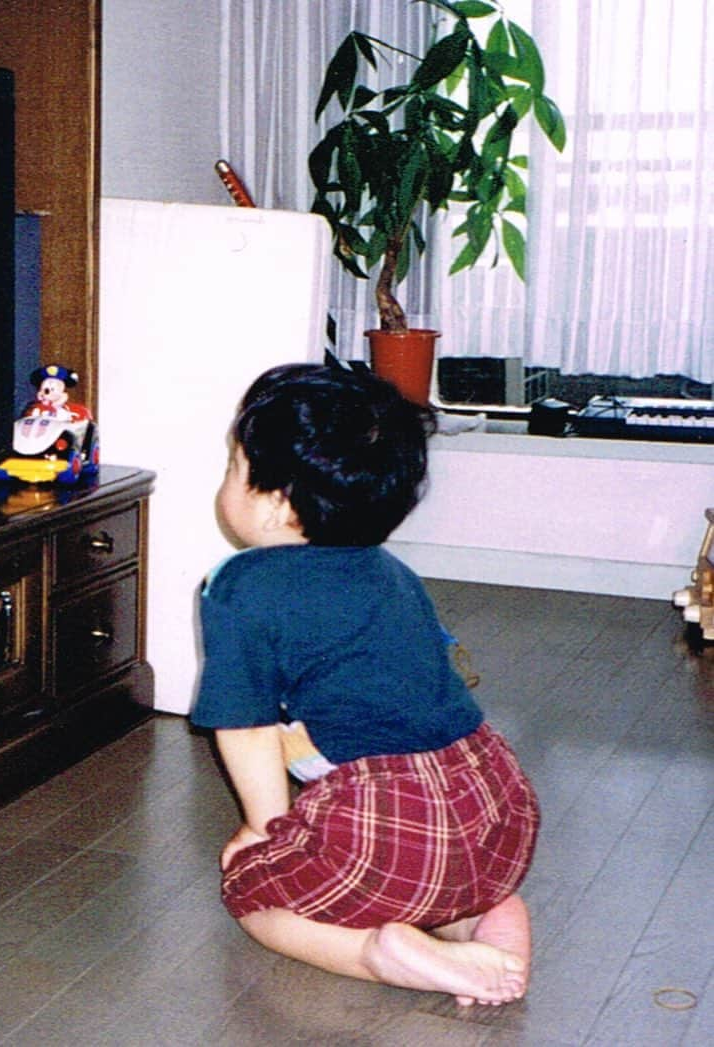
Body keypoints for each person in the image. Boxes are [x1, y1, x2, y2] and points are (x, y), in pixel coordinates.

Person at [190, 362, 540, 1007]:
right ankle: (492, 943)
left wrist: (268, 832)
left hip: (386, 822)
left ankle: (378, 955)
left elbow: (245, 725)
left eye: (234, 468)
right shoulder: (392, 573)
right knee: (471, 891)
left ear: (273, 501)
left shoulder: (240, 587)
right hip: (493, 811)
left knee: (250, 893)